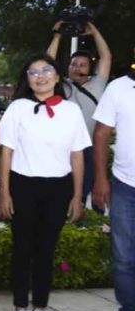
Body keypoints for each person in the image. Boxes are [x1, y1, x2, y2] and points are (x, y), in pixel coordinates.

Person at [0, 54, 88, 311]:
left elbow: (77, 156)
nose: (40, 76)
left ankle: (41, 310)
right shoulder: (17, 108)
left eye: (46, 70)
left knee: (46, 250)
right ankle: (20, 309)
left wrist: (76, 196)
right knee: (23, 249)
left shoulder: (72, 111)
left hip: (58, 188)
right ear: (27, 79)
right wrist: (5, 192)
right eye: (33, 72)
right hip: (24, 185)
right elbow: (6, 152)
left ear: (57, 76)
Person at [46, 21, 111, 212]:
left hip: (88, 149)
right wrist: (57, 37)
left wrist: (94, 31)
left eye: (82, 65)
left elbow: (106, 57)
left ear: (90, 69)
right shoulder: (61, 86)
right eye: (74, 64)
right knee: (59, 194)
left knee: (81, 194)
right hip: (61, 150)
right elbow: (47, 64)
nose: (77, 68)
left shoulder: (98, 85)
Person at [92, 69, 135, 311]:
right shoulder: (118, 88)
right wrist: (100, 179)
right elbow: (101, 134)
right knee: (124, 259)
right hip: (125, 185)